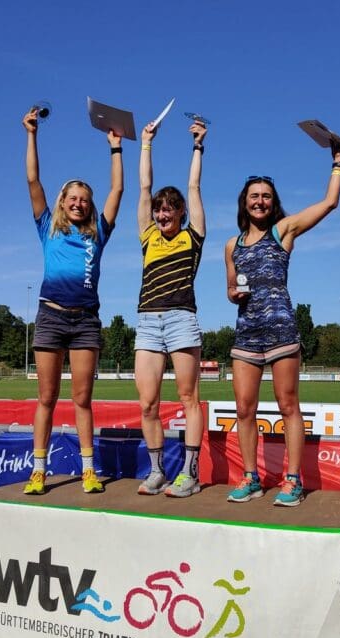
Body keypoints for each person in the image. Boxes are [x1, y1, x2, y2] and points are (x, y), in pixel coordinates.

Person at [225, 141, 340, 506]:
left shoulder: (284, 231)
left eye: (265, 196)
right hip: (246, 333)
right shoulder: (231, 244)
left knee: (287, 405)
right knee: (244, 409)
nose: (259, 201)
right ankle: (250, 477)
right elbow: (230, 288)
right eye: (253, 196)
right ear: (244, 202)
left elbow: (329, 204)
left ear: (272, 201)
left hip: (281, 330)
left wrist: (337, 162)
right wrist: (234, 294)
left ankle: (293, 480)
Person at [21, 107, 123, 495]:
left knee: (82, 399)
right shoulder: (47, 225)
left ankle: (87, 471)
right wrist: (32, 134)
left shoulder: (98, 233)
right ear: (62, 202)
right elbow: (33, 179)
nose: (78, 203)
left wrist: (116, 149)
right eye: (72, 198)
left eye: (84, 199)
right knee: (46, 398)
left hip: (85, 323)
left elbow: (117, 192)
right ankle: (38, 471)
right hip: (50, 316)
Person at [135, 119, 207, 498]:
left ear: (180, 213)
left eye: (169, 210)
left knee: (188, 399)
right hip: (147, 321)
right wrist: (146, 144)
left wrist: (197, 147)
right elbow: (144, 187)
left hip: (181, 319)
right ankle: (158, 470)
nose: (162, 215)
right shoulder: (147, 236)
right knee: (148, 404)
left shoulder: (192, 237)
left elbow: (194, 186)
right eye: (159, 210)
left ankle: (191, 475)